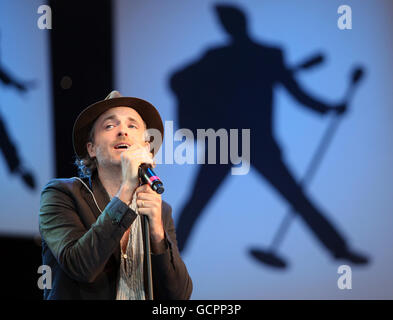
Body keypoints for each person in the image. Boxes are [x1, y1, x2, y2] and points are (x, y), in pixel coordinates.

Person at [39, 91, 193, 299]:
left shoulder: (160, 210)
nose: (122, 132)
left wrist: (157, 234)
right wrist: (127, 189)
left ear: (147, 146)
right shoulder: (61, 194)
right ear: (91, 149)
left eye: (132, 126)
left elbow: (179, 296)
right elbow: (81, 266)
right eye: (110, 126)